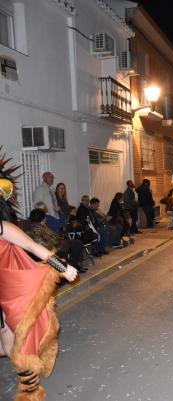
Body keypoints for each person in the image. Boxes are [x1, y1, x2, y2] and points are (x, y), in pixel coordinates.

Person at [0, 169, 77, 401]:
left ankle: (30, 392)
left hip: (6, 293)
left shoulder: (3, 227)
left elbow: (36, 249)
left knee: (12, 346)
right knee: (9, 347)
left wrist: (63, 268)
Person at [21, 208, 86, 273]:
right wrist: (59, 242)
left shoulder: (37, 226)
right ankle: (72, 266)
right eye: (45, 217)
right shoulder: (35, 229)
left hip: (54, 245)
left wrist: (59, 239)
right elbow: (45, 244)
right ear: (43, 219)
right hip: (51, 249)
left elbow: (52, 237)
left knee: (76, 243)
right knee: (76, 244)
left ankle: (74, 265)